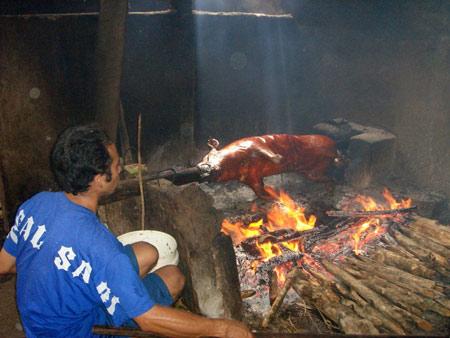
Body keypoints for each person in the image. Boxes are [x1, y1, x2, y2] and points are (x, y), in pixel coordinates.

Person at [0, 125, 254, 338]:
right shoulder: (101, 248)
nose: (121, 168)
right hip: (79, 330)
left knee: (148, 251)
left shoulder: (36, 204)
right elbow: (148, 319)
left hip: (39, 322)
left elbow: (4, 264)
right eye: (117, 164)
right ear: (100, 179)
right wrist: (223, 328)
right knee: (173, 277)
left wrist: (58, 271)